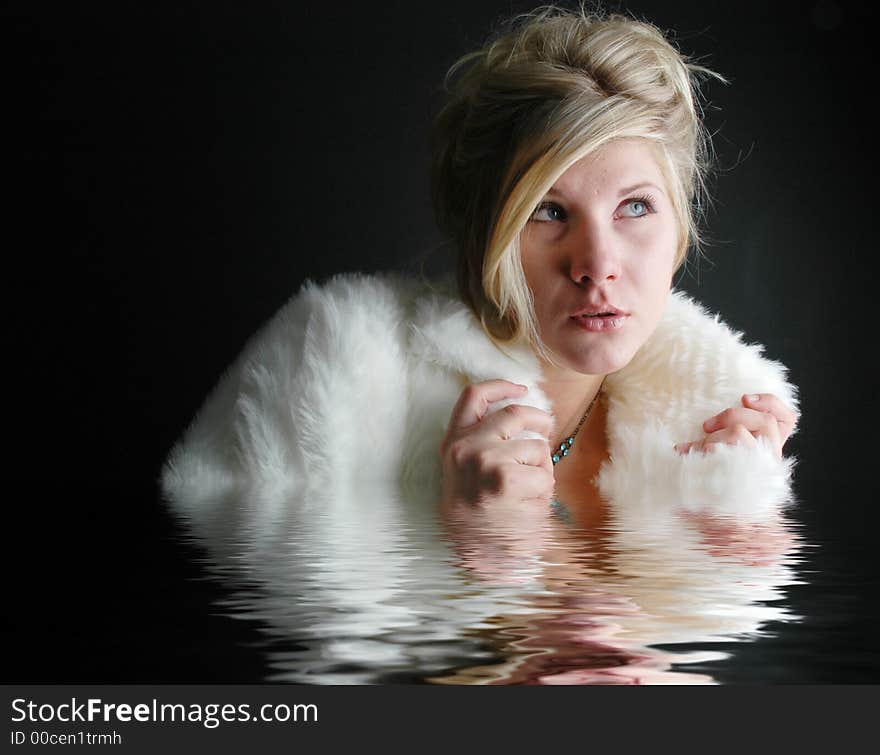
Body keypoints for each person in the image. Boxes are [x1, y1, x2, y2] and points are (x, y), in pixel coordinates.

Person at [161, 5, 798, 527]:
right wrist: (452, 554)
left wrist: (741, 540)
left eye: (635, 206)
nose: (597, 265)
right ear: (486, 231)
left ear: (679, 229)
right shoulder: (335, 371)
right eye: (548, 213)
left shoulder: (720, 423)